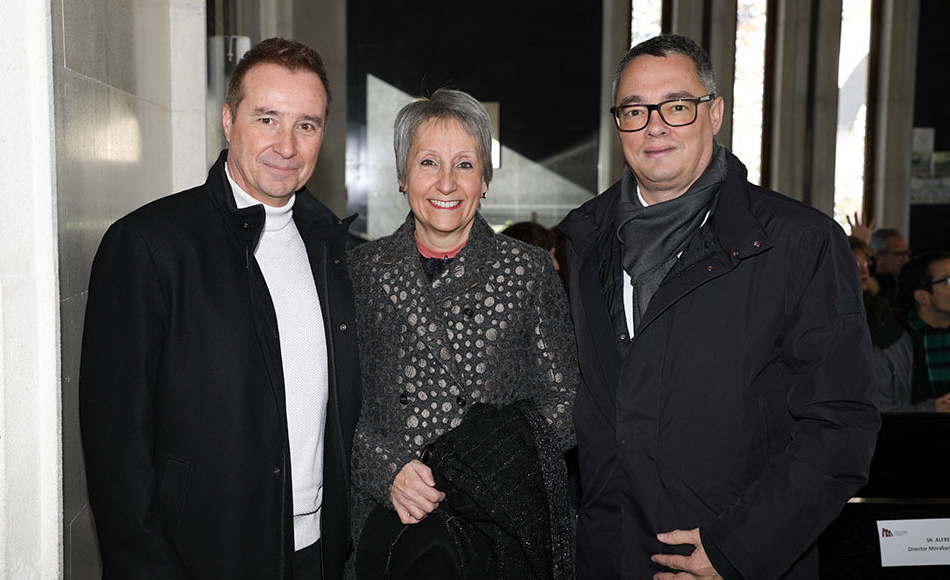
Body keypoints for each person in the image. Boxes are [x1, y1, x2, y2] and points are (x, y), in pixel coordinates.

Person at [559, 34, 879, 579]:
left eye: (677, 106)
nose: (654, 126)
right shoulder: (584, 241)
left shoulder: (798, 243)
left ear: (715, 114)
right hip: (610, 558)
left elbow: (840, 424)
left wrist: (737, 549)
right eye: (635, 110)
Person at [79, 38, 361, 579]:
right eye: (267, 119)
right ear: (229, 120)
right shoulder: (151, 247)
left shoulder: (333, 250)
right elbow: (117, 454)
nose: (286, 145)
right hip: (203, 558)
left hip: (319, 554)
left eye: (306, 125)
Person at [348, 88, 579, 579]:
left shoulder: (528, 270)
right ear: (402, 176)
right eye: (428, 162)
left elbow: (567, 403)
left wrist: (477, 461)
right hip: (391, 521)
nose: (447, 183)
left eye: (466, 165)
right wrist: (387, 470)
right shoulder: (360, 272)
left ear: (485, 180)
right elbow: (332, 404)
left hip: (499, 526)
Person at [873, 251, 950, 412]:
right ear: (922, 297)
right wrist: (930, 410)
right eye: (948, 281)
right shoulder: (889, 343)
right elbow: (877, 410)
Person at [869, 227, 911, 307]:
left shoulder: (904, 283)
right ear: (878, 256)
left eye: (907, 253)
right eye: (899, 254)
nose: (906, 260)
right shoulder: (870, 289)